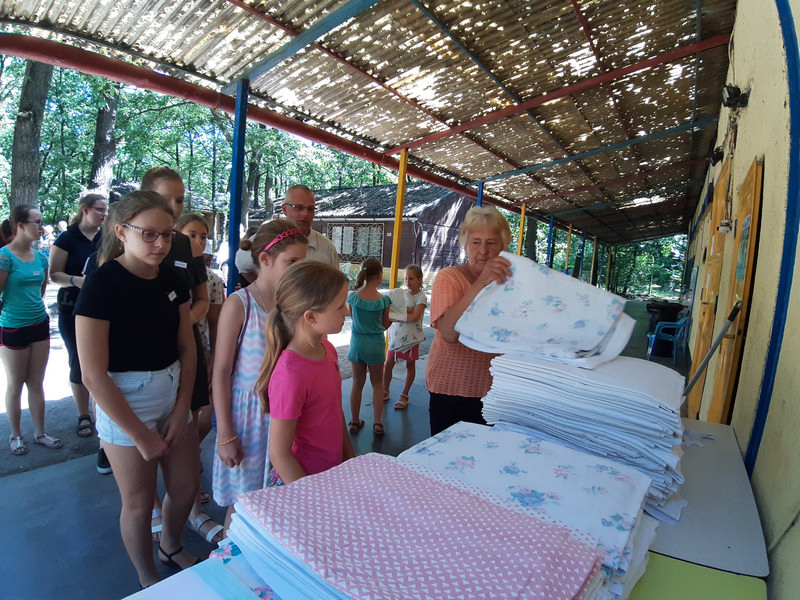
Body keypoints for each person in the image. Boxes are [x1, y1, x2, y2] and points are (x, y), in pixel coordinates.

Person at [75, 191, 200, 588]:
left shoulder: (173, 279)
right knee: (139, 503)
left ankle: (171, 546)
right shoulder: (102, 284)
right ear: (121, 232)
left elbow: (187, 347)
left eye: (167, 234)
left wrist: (182, 408)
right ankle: (148, 577)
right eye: (149, 234)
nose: (160, 244)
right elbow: (93, 374)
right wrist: (139, 434)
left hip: (171, 389)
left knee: (185, 486)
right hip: (124, 399)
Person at [212, 220, 308, 528]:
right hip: (249, 420)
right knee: (244, 505)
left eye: (302, 262)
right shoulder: (239, 304)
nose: (298, 270)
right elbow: (221, 371)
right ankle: (231, 555)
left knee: (280, 502)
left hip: (287, 414)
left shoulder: (294, 307)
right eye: (291, 262)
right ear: (265, 259)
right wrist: (225, 433)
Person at [141, 167, 209, 541]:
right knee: (145, 435)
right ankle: (153, 507)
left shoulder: (186, 245)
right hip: (140, 358)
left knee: (185, 431)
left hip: (184, 350)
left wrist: (181, 323)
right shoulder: (123, 243)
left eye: (179, 199)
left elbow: (201, 300)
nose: (173, 205)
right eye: (164, 197)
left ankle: (191, 511)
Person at [254, 261, 354, 485]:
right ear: (311, 317)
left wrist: (349, 461)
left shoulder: (328, 350)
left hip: (331, 476)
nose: (347, 312)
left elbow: (334, 412)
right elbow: (280, 455)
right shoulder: (290, 375)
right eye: (340, 306)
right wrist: (311, 496)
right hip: (301, 486)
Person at [425, 206, 512, 436]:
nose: (483, 251)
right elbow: (449, 333)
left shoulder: (511, 283)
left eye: (491, 242)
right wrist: (481, 283)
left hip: (494, 389)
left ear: (503, 246)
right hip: (450, 388)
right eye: (475, 242)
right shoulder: (449, 277)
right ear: (465, 245)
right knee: (446, 453)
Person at [174, 212, 225, 544]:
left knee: (200, 422)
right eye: (192, 234)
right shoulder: (164, 272)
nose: (199, 241)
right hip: (167, 360)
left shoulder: (212, 280)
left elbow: (217, 325)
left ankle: (189, 485)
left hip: (199, 355)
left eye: (204, 235)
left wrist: (216, 362)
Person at [1, 205, 62, 456]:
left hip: (39, 324)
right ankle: (15, 435)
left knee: (36, 382)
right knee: (15, 384)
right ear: (20, 225)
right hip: (13, 326)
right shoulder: (4, 256)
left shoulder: (41, 257)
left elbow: (41, 290)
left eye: (41, 221)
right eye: (36, 222)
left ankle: (40, 433)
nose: (41, 227)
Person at [48, 192, 107, 440]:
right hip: (72, 307)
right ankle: (84, 414)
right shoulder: (67, 238)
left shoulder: (107, 237)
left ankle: (105, 410)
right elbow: (54, 274)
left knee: (105, 359)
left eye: (105, 210)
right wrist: (77, 281)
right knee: (78, 360)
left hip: (103, 307)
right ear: (85, 210)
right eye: (99, 209)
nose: (103, 214)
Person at [346, 258, 391, 436]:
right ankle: (378, 423)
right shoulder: (384, 301)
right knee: (378, 384)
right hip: (375, 346)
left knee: (357, 383)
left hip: (357, 344)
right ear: (380, 276)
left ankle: (354, 421)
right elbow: (385, 325)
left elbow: (353, 319)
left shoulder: (353, 297)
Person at [383, 264, 427, 410]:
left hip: (412, 338)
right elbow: (391, 310)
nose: (408, 282)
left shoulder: (422, 297)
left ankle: (405, 394)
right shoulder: (401, 294)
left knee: (410, 365)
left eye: (411, 278)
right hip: (397, 335)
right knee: (388, 363)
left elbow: (414, 317)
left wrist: (402, 313)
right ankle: (385, 390)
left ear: (420, 279)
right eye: (406, 278)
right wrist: (406, 311)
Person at [281, 185, 338, 267]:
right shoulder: (267, 243)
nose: (305, 214)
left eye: (310, 209)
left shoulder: (327, 249)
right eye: (299, 207)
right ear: (285, 209)